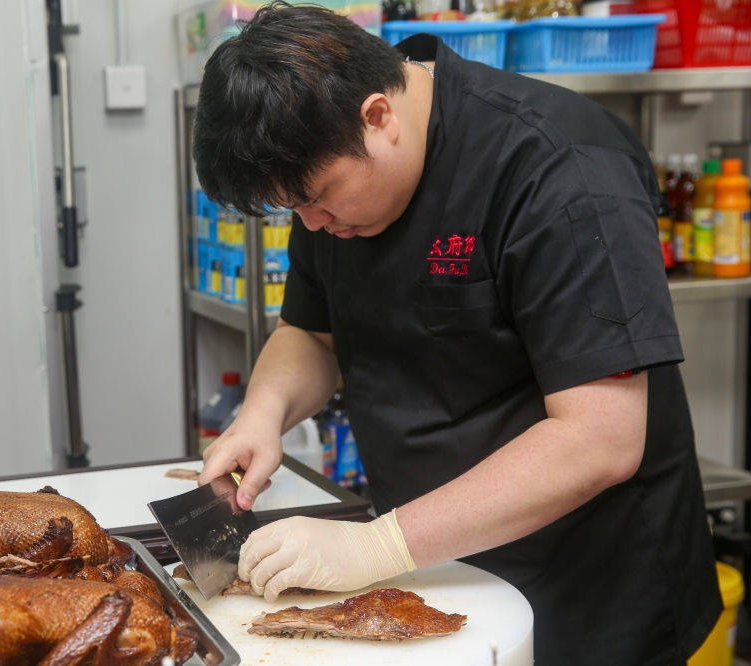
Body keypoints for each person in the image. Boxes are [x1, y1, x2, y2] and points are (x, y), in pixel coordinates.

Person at [192, 3, 722, 664]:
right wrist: (262, 414)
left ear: (377, 116)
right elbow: (310, 331)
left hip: (590, 586)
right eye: (294, 209)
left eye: (318, 198)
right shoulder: (326, 179)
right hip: (434, 562)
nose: (314, 223)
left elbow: (600, 440)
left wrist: (378, 545)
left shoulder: (562, 168)